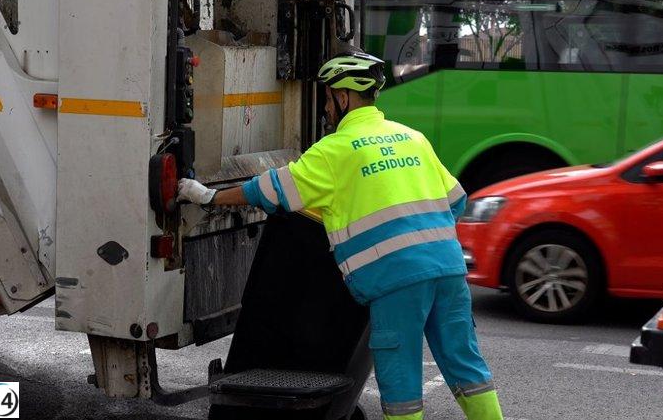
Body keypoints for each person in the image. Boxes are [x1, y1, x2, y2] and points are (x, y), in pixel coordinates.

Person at [177, 49, 504, 420]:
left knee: (402, 383)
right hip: (448, 271)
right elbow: (455, 201)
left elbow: (268, 190)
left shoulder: (335, 150)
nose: (327, 108)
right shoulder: (412, 138)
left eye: (329, 98)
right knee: (467, 367)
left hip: (397, 281)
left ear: (343, 97)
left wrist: (208, 196)